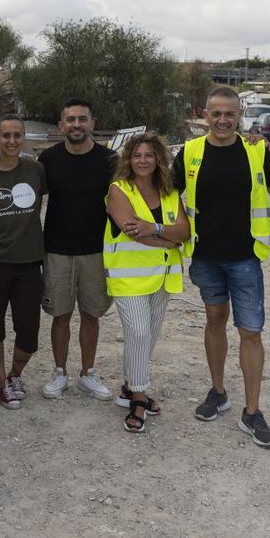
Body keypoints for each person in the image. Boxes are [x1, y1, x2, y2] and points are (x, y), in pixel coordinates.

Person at [173, 86, 270, 448]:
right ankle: (219, 391)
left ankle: (252, 411)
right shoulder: (189, 152)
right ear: (204, 115)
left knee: (250, 332)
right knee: (214, 321)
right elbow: (166, 195)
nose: (223, 120)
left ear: (240, 115)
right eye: (216, 113)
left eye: (230, 114)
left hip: (244, 258)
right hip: (206, 257)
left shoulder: (255, 150)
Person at [104, 133, 189, 433]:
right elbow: (132, 232)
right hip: (128, 278)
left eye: (149, 155)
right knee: (138, 332)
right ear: (128, 159)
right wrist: (168, 239)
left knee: (148, 336)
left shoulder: (168, 191)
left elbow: (185, 232)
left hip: (162, 277)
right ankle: (137, 398)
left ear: (158, 160)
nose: (143, 160)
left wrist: (154, 228)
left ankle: (129, 386)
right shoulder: (118, 190)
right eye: (137, 155)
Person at [38, 98, 116, 402]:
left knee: (90, 315)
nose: (76, 125)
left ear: (92, 124)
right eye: (70, 119)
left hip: (96, 251)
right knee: (60, 315)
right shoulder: (48, 159)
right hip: (56, 250)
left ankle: (88, 373)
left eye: (83, 119)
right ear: (61, 126)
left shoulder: (110, 160)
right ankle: (59, 372)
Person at [0, 114, 47, 409]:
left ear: (24, 137)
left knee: (28, 331)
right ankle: (2, 383)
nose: (12, 141)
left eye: (17, 135)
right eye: (6, 136)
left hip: (29, 262)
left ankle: (15, 374)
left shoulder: (36, 170)